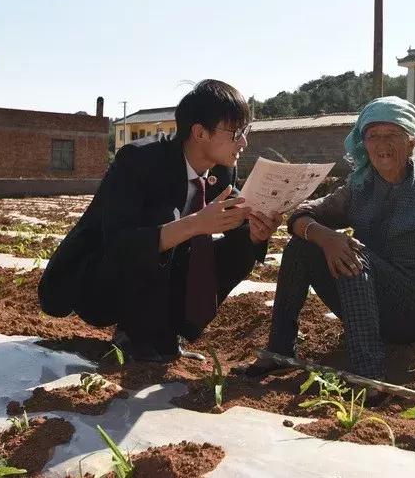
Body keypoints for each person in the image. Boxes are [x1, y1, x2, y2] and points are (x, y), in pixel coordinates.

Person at [243, 96, 415, 383]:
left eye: (392, 135)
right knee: (303, 246)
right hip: (373, 306)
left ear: (411, 142)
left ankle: (368, 374)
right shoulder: (360, 187)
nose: (382, 145)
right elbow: (303, 214)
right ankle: (279, 350)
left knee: (352, 255)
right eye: (373, 136)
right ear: (364, 143)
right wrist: (324, 237)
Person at [39, 79, 282, 361]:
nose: (244, 142)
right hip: (96, 281)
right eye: (236, 132)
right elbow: (120, 244)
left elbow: (239, 219)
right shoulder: (139, 161)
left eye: (246, 130)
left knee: (242, 243)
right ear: (200, 132)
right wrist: (195, 224)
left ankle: (169, 334)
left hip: (148, 277)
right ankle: (132, 334)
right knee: (166, 217)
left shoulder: (223, 172)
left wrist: (257, 231)